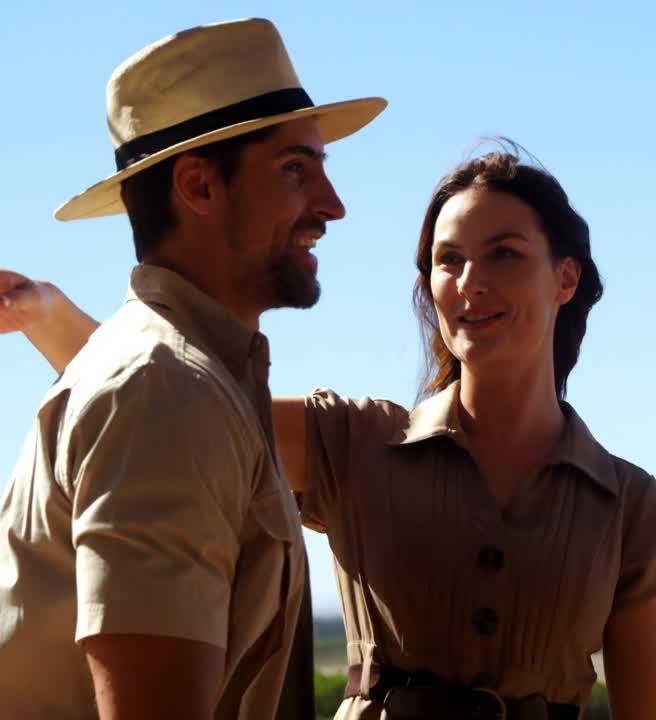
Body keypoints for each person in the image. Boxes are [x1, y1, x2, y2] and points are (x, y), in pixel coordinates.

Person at [3, 146, 656, 719]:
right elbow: (170, 395)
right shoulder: (354, 442)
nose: (470, 282)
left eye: (503, 254)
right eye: (447, 261)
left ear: (565, 279)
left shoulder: (628, 505)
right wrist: (48, 314)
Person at [0, 18, 385, 719]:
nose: (332, 205)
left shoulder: (183, 379)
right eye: (296, 169)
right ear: (200, 187)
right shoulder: (166, 392)